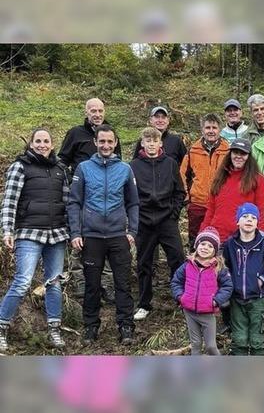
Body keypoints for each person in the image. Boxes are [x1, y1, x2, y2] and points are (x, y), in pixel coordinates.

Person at [67, 124, 139, 346]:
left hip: (118, 235)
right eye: (102, 141)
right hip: (92, 236)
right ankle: (90, 327)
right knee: (92, 284)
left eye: (110, 141)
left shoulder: (125, 169)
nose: (106, 145)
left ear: (115, 143)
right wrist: (76, 232)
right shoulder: (83, 168)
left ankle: (125, 325)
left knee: (123, 284)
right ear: (95, 143)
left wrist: (132, 231)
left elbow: (133, 202)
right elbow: (74, 202)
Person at [0, 128, 68, 351]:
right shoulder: (20, 167)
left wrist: (71, 230)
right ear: (30, 143)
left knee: (54, 283)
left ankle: (54, 330)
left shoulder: (60, 169)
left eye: (46, 141)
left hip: (56, 235)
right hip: (29, 233)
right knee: (22, 282)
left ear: (52, 144)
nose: (42, 144)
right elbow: (9, 201)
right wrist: (7, 231)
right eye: (37, 141)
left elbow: (67, 203)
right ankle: (2, 327)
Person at [199, 138, 264, 332]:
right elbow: (210, 209)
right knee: (220, 280)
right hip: (219, 239)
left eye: (243, 153)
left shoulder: (257, 179)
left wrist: (262, 239)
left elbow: (262, 212)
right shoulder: (220, 178)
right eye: (235, 152)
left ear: (248, 156)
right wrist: (203, 234)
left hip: (243, 240)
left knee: (239, 281)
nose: (238, 156)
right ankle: (226, 320)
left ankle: (244, 321)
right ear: (230, 154)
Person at [59, 98, 119, 300]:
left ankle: (107, 285)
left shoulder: (110, 133)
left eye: (100, 110)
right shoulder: (76, 133)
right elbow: (62, 161)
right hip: (82, 196)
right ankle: (80, 283)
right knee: (80, 238)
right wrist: (70, 182)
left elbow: (117, 163)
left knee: (106, 238)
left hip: (107, 198)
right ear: (86, 112)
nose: (97, 113)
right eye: (93, 110)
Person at [130, 127, 186, 321]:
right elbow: (128, 194)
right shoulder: (134, 166)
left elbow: (180, 191)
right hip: (144, 222)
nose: (152, 144)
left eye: (155, 140)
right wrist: (135, 217)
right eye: (148, 140)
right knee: (144, 263)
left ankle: (181, 298)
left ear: (161, 143)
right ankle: (144, 304)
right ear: (142, 143)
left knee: (177, 258)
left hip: (166, 220)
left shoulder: (170, 163)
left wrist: (174, 213)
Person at [223, 203, 264, 355]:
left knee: (257, 340)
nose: (249, 220)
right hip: (236, 299)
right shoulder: (230, 243)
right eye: (245, 216)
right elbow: (224, 266)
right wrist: (229, 282)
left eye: (253, 217)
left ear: (257, 222)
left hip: (258, 299)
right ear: (238, 221)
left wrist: (262, 279)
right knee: (239, 339)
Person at [171, 226, 232, 355]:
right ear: (197, 245)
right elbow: (176, 281)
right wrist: (181, 297)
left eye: (210, 246)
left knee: (210, 346)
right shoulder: (187, 265)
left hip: (207, 313)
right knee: (196, 344)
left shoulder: (218, 268)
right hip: (189, 312)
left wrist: (215, 301)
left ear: (215, 250)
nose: (205, 248)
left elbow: (227, 287)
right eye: (203, 244)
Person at [180, 113, 230, 249]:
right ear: (202, 130)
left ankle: (217, 269)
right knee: (196, 240)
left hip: (220, 204)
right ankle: (195, 268)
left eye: (214, 127)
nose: (211, 131)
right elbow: (182, 175)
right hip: (198, 204)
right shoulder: (193, 151)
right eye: (208, 127)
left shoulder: (228, 151)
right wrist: (187, 197)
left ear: (220, 129)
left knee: (220, 240)